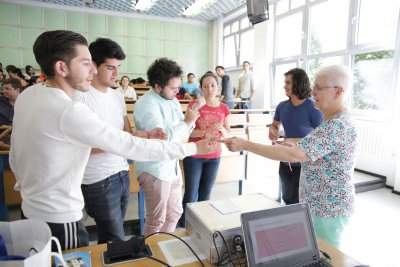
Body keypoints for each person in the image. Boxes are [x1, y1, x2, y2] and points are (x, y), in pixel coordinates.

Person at [9, 30, 217, 250]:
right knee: (104, 245)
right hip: (59, 214)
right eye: (86, 63)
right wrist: (193, 147)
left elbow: (17, 151)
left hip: (33, 209)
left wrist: (25, 187)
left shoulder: (28, 95)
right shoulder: (69, 110)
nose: (93, 69)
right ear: (61, 67)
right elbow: (128, 145)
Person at [222, 65, 357, 249]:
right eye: (313, 86)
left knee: (327, 257)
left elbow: (294, 156)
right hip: (317, 205)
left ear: (338, 91)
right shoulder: (331, 121)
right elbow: (311, 149)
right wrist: (294, 144)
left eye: (319, 88)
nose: (313, 91)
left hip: (328, 210)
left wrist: (245, 144)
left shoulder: (338, 125)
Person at [72, 38, 167, 244]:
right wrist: (119, 143)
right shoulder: (80, 98)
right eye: (110, 67)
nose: (116, 73)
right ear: (94, 67)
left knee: (111, 238)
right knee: (115, 238)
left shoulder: (117, 96)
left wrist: (147, 135)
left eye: (118, 67)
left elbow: (127, 134)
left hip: (122, 172)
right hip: (98, 179)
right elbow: (82, 147)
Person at [134, 58, 206, 236]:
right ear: (158, 86)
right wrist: (187, 122)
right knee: (156, 219)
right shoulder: (147, 105)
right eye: (173, 88)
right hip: (155, 169)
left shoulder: (172, 100)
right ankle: (150, 258)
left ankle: (164, 248)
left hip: (172, 166)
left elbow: (181, 134)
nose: (177, 91)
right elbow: (162, 142)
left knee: (175, 213)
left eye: (177, 87)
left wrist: (191, 118)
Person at [178, 72, 231, 227]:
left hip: (214, 156)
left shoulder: (224, 107)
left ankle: (200, 225)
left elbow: (228, 132)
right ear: (200, 88)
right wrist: (204, 133)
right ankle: (184, 224)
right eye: (205, 86)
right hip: (195, 154)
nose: (209, 89)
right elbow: (187, 130)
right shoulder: (195, 104)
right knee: (191, 193)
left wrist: (222, 129)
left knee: (205, 193)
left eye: (213, 85)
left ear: (218, 87)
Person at [270, 68, 323, 205]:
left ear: (298, 84)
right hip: (286, 161)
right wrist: (273, 130)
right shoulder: (282, 106)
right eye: (285, 82)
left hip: (306, 164)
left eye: (288, 82)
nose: (284, 86)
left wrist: (293, 140)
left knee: (301, 202)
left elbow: (321, 138)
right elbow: (275, 124)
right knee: (288, 199)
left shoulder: (313, 107)